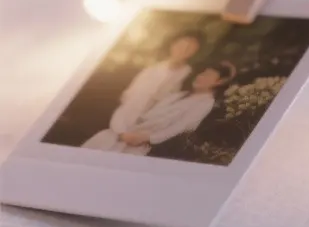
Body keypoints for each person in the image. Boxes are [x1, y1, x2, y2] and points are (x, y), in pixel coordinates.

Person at [81, 62, 234, 158]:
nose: (200, 77)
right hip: (120, 134)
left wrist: (147, 138)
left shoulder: (204, 103)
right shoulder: (178, 95)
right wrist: (123, 130)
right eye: (202, 73)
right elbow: (143, 111)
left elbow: (182, 126)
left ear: (220, 82)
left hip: (138, 146)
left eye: (208, 75)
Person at [107, 32, 202, 132]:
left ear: (194, 53)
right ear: (173, 45)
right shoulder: (152, 67)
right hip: (124, 119)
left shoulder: (188, 76)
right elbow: (128, 95)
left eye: (189, 48)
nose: (183, 50)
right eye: (181, 45)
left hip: (149, 126)